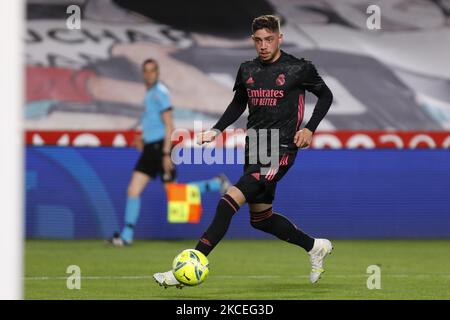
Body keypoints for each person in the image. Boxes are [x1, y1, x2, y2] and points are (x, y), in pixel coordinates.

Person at [153, 14, 333, 287]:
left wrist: (310, 128)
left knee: (228, 202)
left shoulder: (298, 68)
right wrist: (216, 130)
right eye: (259, 40)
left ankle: (189, 267)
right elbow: (238, 103)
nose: (263, 45)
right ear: (252, 40)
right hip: (255, 148)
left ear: (279, 38)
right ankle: (314, 246)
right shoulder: (247, 69)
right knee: (261, 219)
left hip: (280, 148)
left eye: (269, 39)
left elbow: (326, 95)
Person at [109, 58, 231, 246]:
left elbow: (169, 125)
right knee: (133, 190)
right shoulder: (150, 94)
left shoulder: (159, 93)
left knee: (175, 197)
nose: (149, 74)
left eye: (152, 71)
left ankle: (216, 183)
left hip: (161, 149)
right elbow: (154, 122)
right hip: (151, 148)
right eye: (146, 71)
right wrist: (143, 139)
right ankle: (126, 236)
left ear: (157, 73)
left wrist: (166, 154)